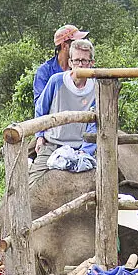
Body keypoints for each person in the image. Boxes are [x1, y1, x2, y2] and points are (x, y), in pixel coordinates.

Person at [29, 39, 97, 185]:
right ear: (70, 62)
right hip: (52, 143)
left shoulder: (97, 87)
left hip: (79, 146)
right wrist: (40, 137)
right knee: (31, 185)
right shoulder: (56, 81)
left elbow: (95, 124)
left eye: (84, 61)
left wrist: (86, 151)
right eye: (77, 60)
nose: (80, 64)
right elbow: (41, 110)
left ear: (92, 63)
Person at [33, 24, 89, 102]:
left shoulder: (84, 67)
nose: (80, 47)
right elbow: (40, 105)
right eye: (76, 44)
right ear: (64, 46)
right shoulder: (44, 71)